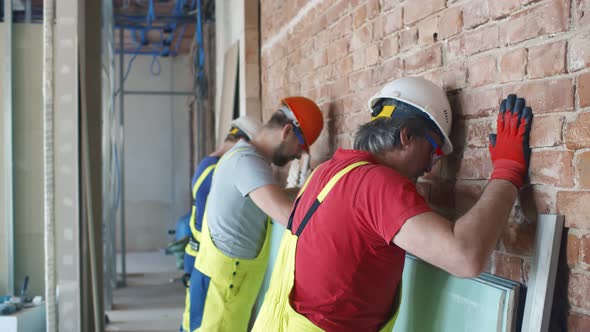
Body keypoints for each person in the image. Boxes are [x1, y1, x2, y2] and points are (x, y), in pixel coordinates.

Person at [253, 76, 533, 332]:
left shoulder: (325, 172)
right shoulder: (377, 184)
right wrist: (507, 172)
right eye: (434, 152)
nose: (429, 167)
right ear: (406, 136)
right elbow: (465, 257)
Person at [189, 96, 324, 331]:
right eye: (300, 148)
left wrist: (316, 185)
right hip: (221, 290)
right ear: (287, 131)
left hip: (227, 284)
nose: (297, 156)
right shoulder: (246, 162)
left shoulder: (250, 160)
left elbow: (276, 196)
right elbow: (287, 215)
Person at [180, 115, 261, 332]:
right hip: (208, 264)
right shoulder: (218, 171)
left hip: (198, 258)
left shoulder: (207, 164)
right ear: (243, 143)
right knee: (202, 325)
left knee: (193, 323)